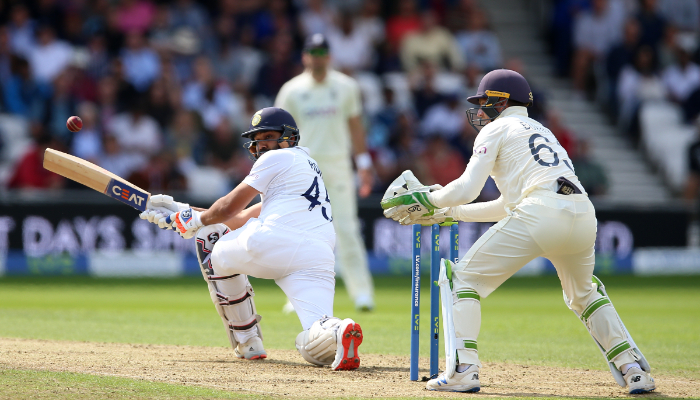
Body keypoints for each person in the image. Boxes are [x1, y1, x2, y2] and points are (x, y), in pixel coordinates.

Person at [380, 69, 656, 394]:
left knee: (462, 279)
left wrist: (428, 199)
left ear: (500, 101)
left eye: (484, 102)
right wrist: (448, 211)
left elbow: (467, 188)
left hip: (540, 212)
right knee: (583, 294)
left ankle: (463, 370)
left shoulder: (496, 130)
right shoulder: (541, 131)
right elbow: (505, 205)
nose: (479, 111)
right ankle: (633, 369)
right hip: (582, 214)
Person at [139, 107, 363, 370]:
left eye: (268, 136)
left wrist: (195, 222)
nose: (261, 144)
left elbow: (227, 209)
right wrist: (181, 210)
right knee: (315, 341)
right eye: (257, 139)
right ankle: (339, 331)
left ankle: (247, 340)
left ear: (288, 137)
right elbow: (239, 218)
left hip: (276, 242)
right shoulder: (305, 168)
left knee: (211, 237)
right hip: (318, 256)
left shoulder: (276, 158)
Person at [274, 34, 375, 311]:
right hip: (303, 168)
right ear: (305, 55)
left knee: (346, 229)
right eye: (312, 51)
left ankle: (362, 293)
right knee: (299, 232)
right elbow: (282, 134)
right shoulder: (291, 90)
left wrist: (363, 164)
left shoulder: (345, 86)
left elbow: (356, 127)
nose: (317, 56)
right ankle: (297, 295)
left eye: (322, 51)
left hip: (338, 165)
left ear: (329, 55)